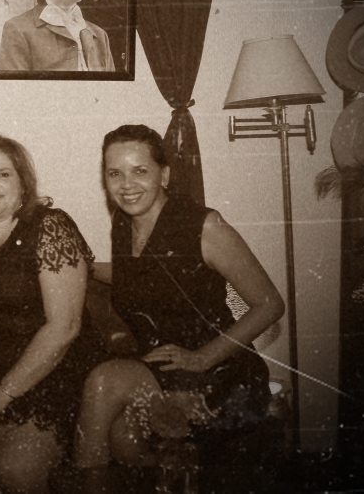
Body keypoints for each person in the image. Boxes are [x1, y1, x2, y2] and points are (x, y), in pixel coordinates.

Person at [74, 124, 285, 479]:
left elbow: (270, 305)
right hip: (165, 369)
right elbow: (138, 275)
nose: (126, 185)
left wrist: (203, 357)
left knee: (104, 379)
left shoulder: (204, 226)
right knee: (123, 440)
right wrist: (79, 266)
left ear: (165, 174)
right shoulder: (123, 222)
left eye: (140, 171)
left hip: (221, 376)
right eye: (115, 173)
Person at [0, 135, 106, 493]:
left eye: (3, 174)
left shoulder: (50, 227)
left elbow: (65, 327)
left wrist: (4, 393)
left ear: (23, 184)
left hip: (58, 372)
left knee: (19, 470)